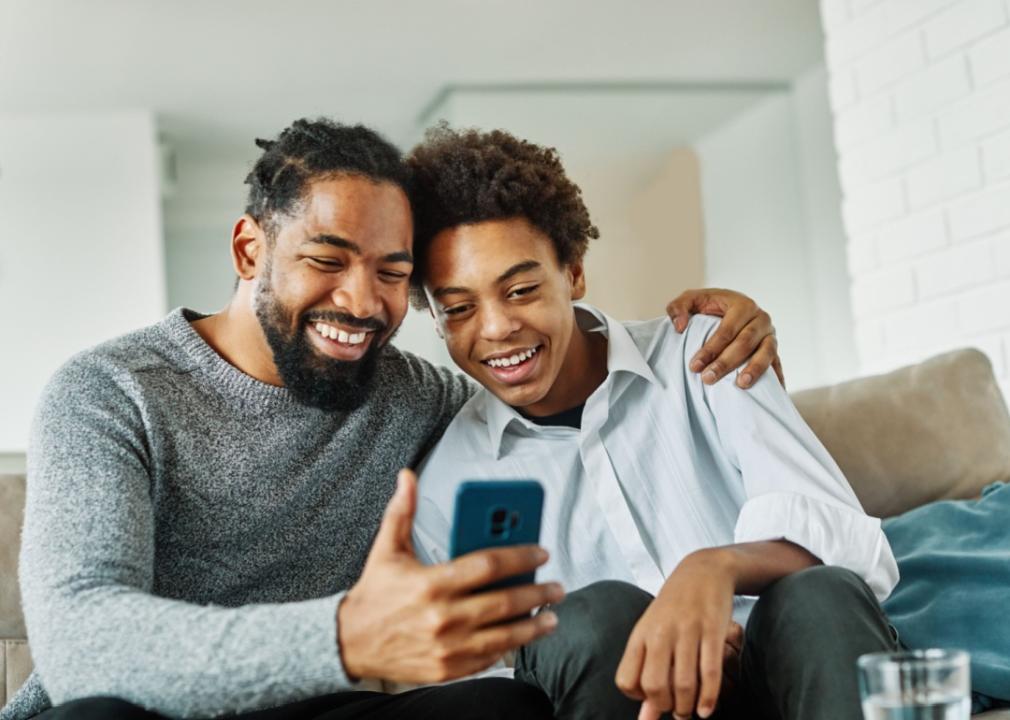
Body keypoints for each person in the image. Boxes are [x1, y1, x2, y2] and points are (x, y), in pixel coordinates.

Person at [1, 118, 780, 720]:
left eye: (394, 273)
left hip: (313, 711)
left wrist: (704, 331)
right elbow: (81, 648)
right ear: (249, 249)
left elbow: (552, 395)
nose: (363, 302)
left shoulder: (414, 396)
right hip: (126, 712)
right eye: (327, 259)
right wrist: (343, 636)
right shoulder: (109, 393)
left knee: (502, 707)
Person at [407, 125, 901, 720]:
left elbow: (850, 546)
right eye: (458, 309)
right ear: (435, 318)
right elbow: (484, 682)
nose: (495, 328)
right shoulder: (452, 485)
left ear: (574, 273)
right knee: (595, 617)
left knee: (820, 593)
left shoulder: (708, 353)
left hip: (788, 676)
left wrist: (714, 568)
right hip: (630, 704)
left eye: (522, 289)